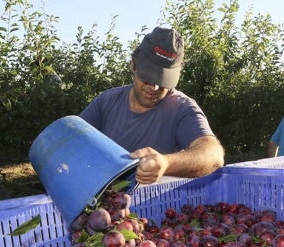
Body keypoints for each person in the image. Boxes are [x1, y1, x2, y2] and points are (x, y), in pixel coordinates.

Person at [79, 26, 225, 185]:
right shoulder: (107, 101)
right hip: (108, 201)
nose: (154, 87)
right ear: (133, 65)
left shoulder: (181, 108)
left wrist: (167, 163)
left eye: (163, 81)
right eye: (147, 77)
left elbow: (213, 155)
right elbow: (73, 139)